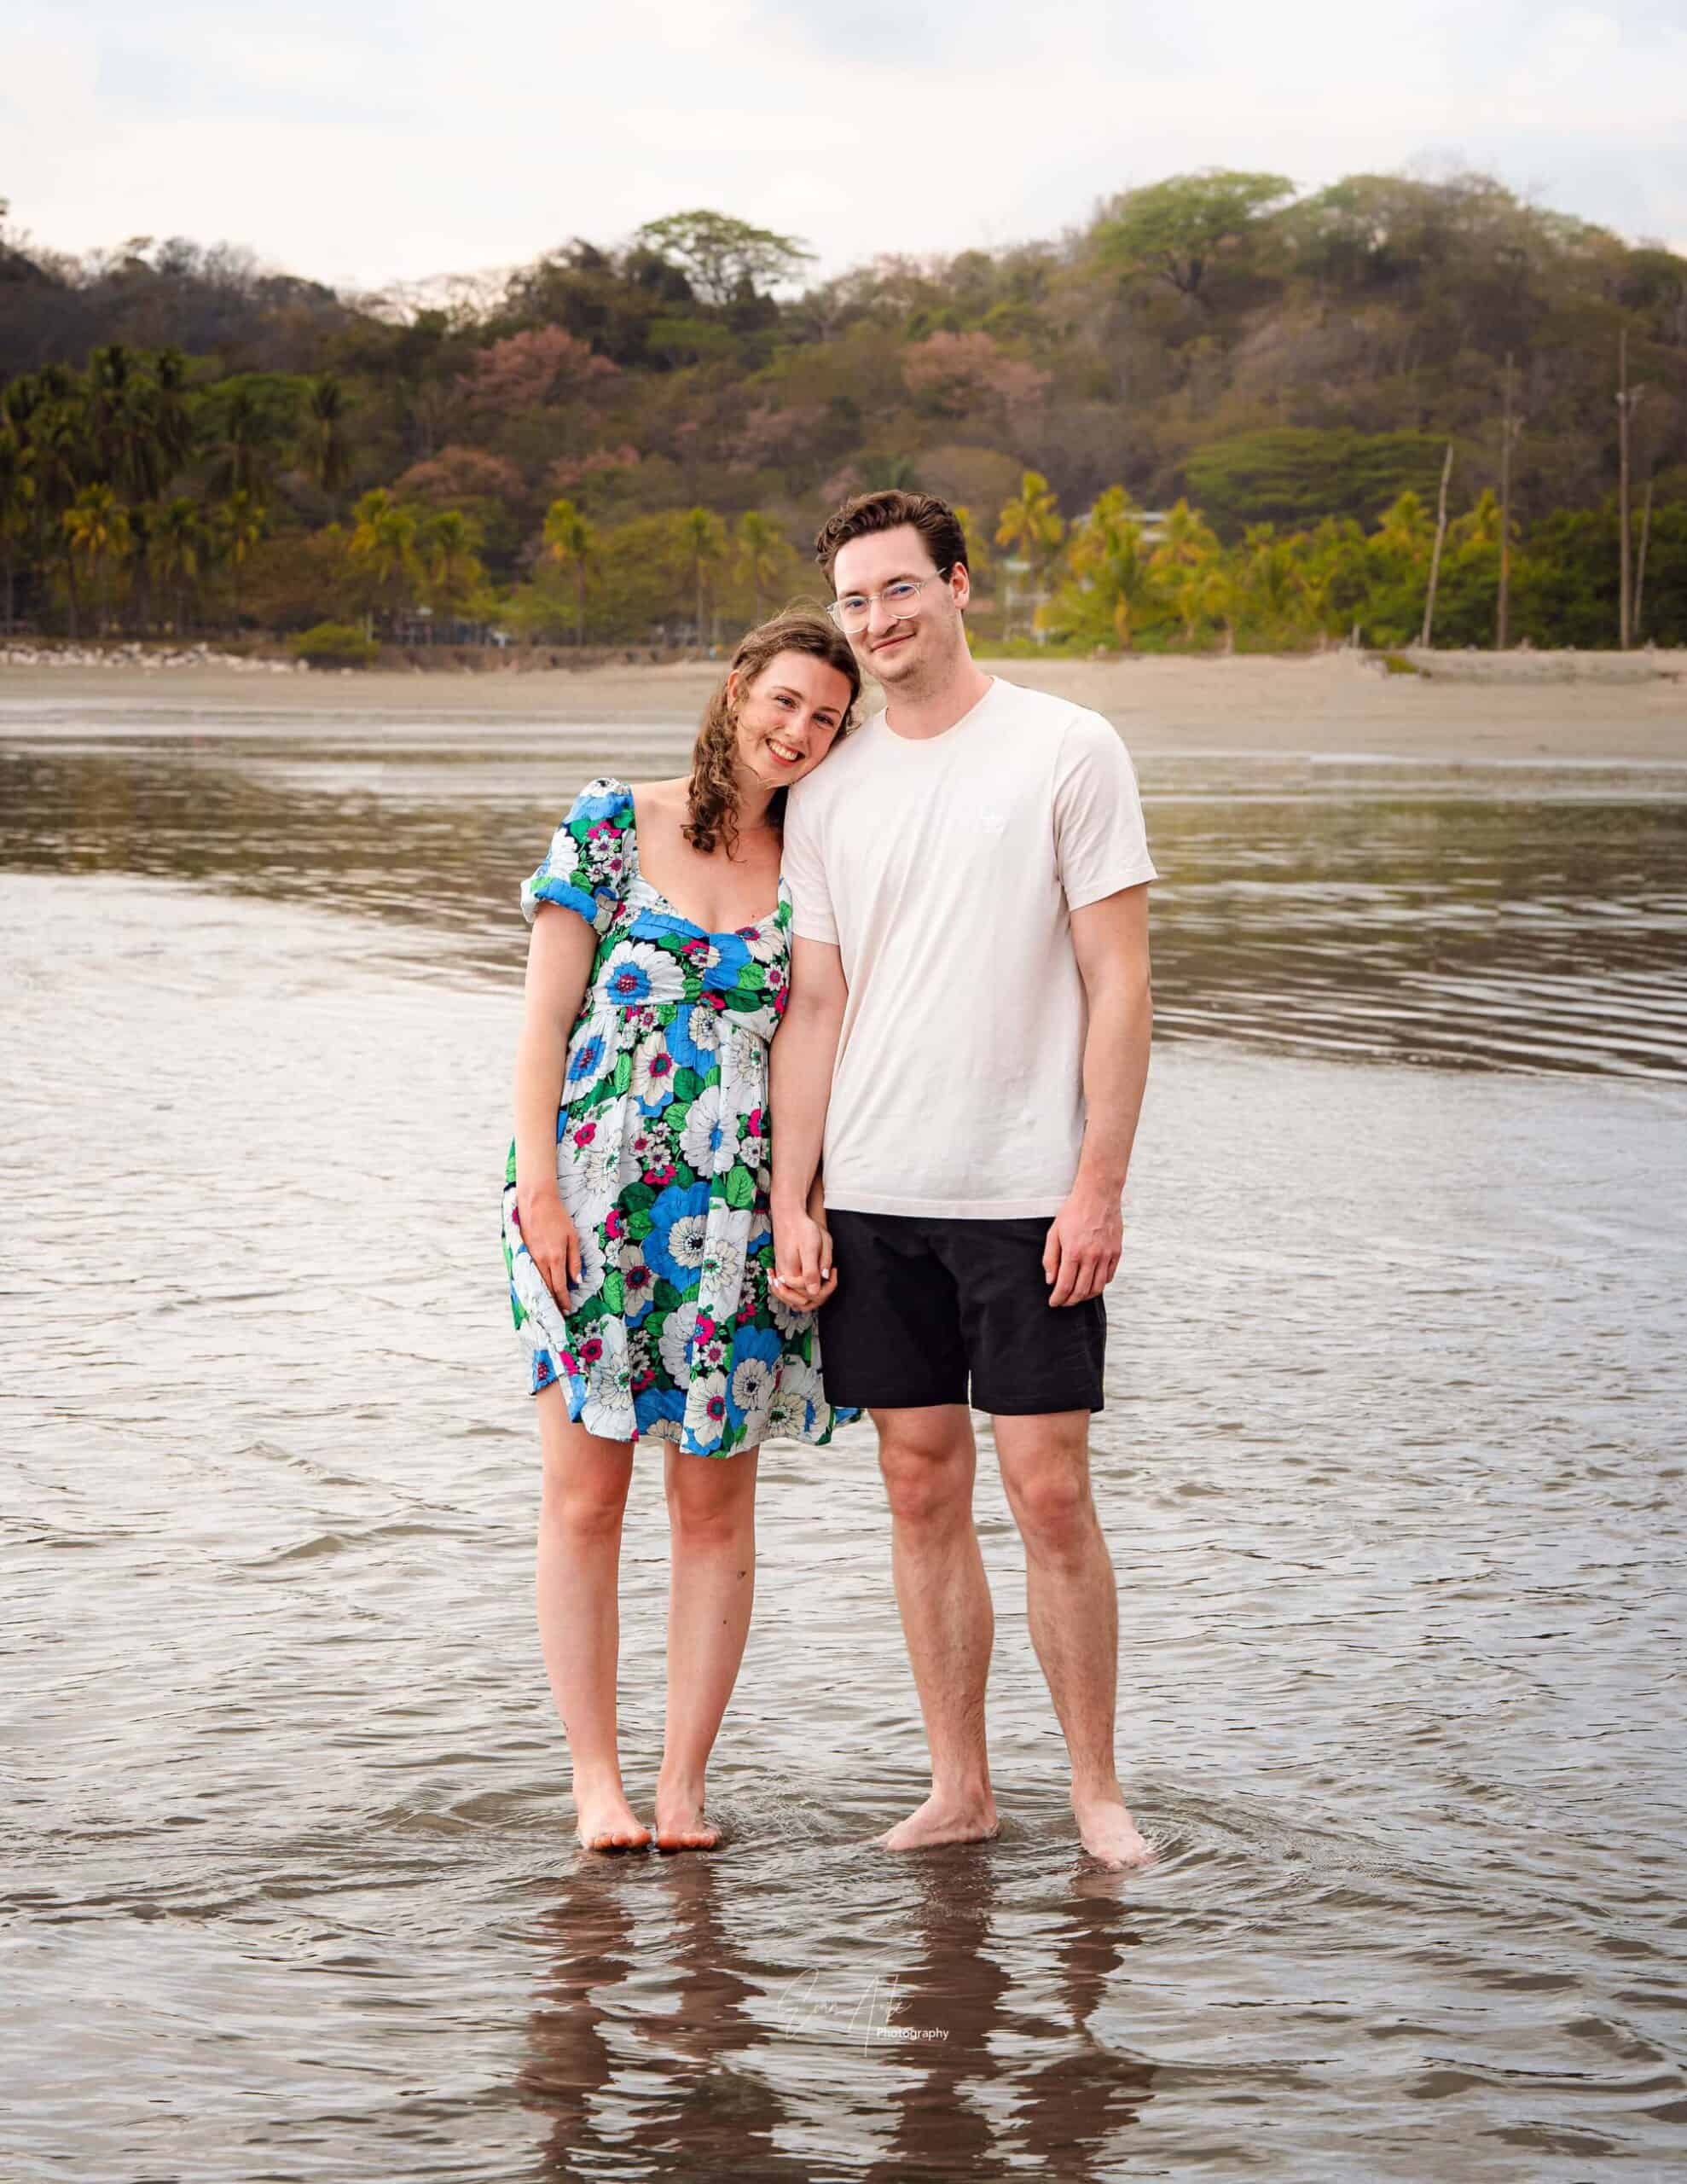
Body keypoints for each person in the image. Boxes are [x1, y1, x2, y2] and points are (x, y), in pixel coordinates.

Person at [770, 491, 1158, 1868]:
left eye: (898, 591)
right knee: (918, 1487)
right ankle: (960, 1787)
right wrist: (794, 1202)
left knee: (1049, 1490)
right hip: (875, 1196)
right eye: (855, 601)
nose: (876, 622)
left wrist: (1095, 1185)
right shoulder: (828, 787)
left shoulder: (1066, 746)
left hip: (1024, 1194)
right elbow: (813, 1007)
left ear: (957, 586)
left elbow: (1120, 983)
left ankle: (1097, 1792)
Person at [502, 608, 860, 1853]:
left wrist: (794, 1209)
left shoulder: (815, 858)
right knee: (583, 1497)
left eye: (824, 717)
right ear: (735, 689)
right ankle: (595, 1785)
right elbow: (544, 1025)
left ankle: (680, 1788)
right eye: (784, 702)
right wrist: (535, 1190)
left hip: (732, 1221)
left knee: (713, 1510)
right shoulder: (611, 820)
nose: (798, 733)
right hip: (588, 1205)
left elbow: (812, 1031)